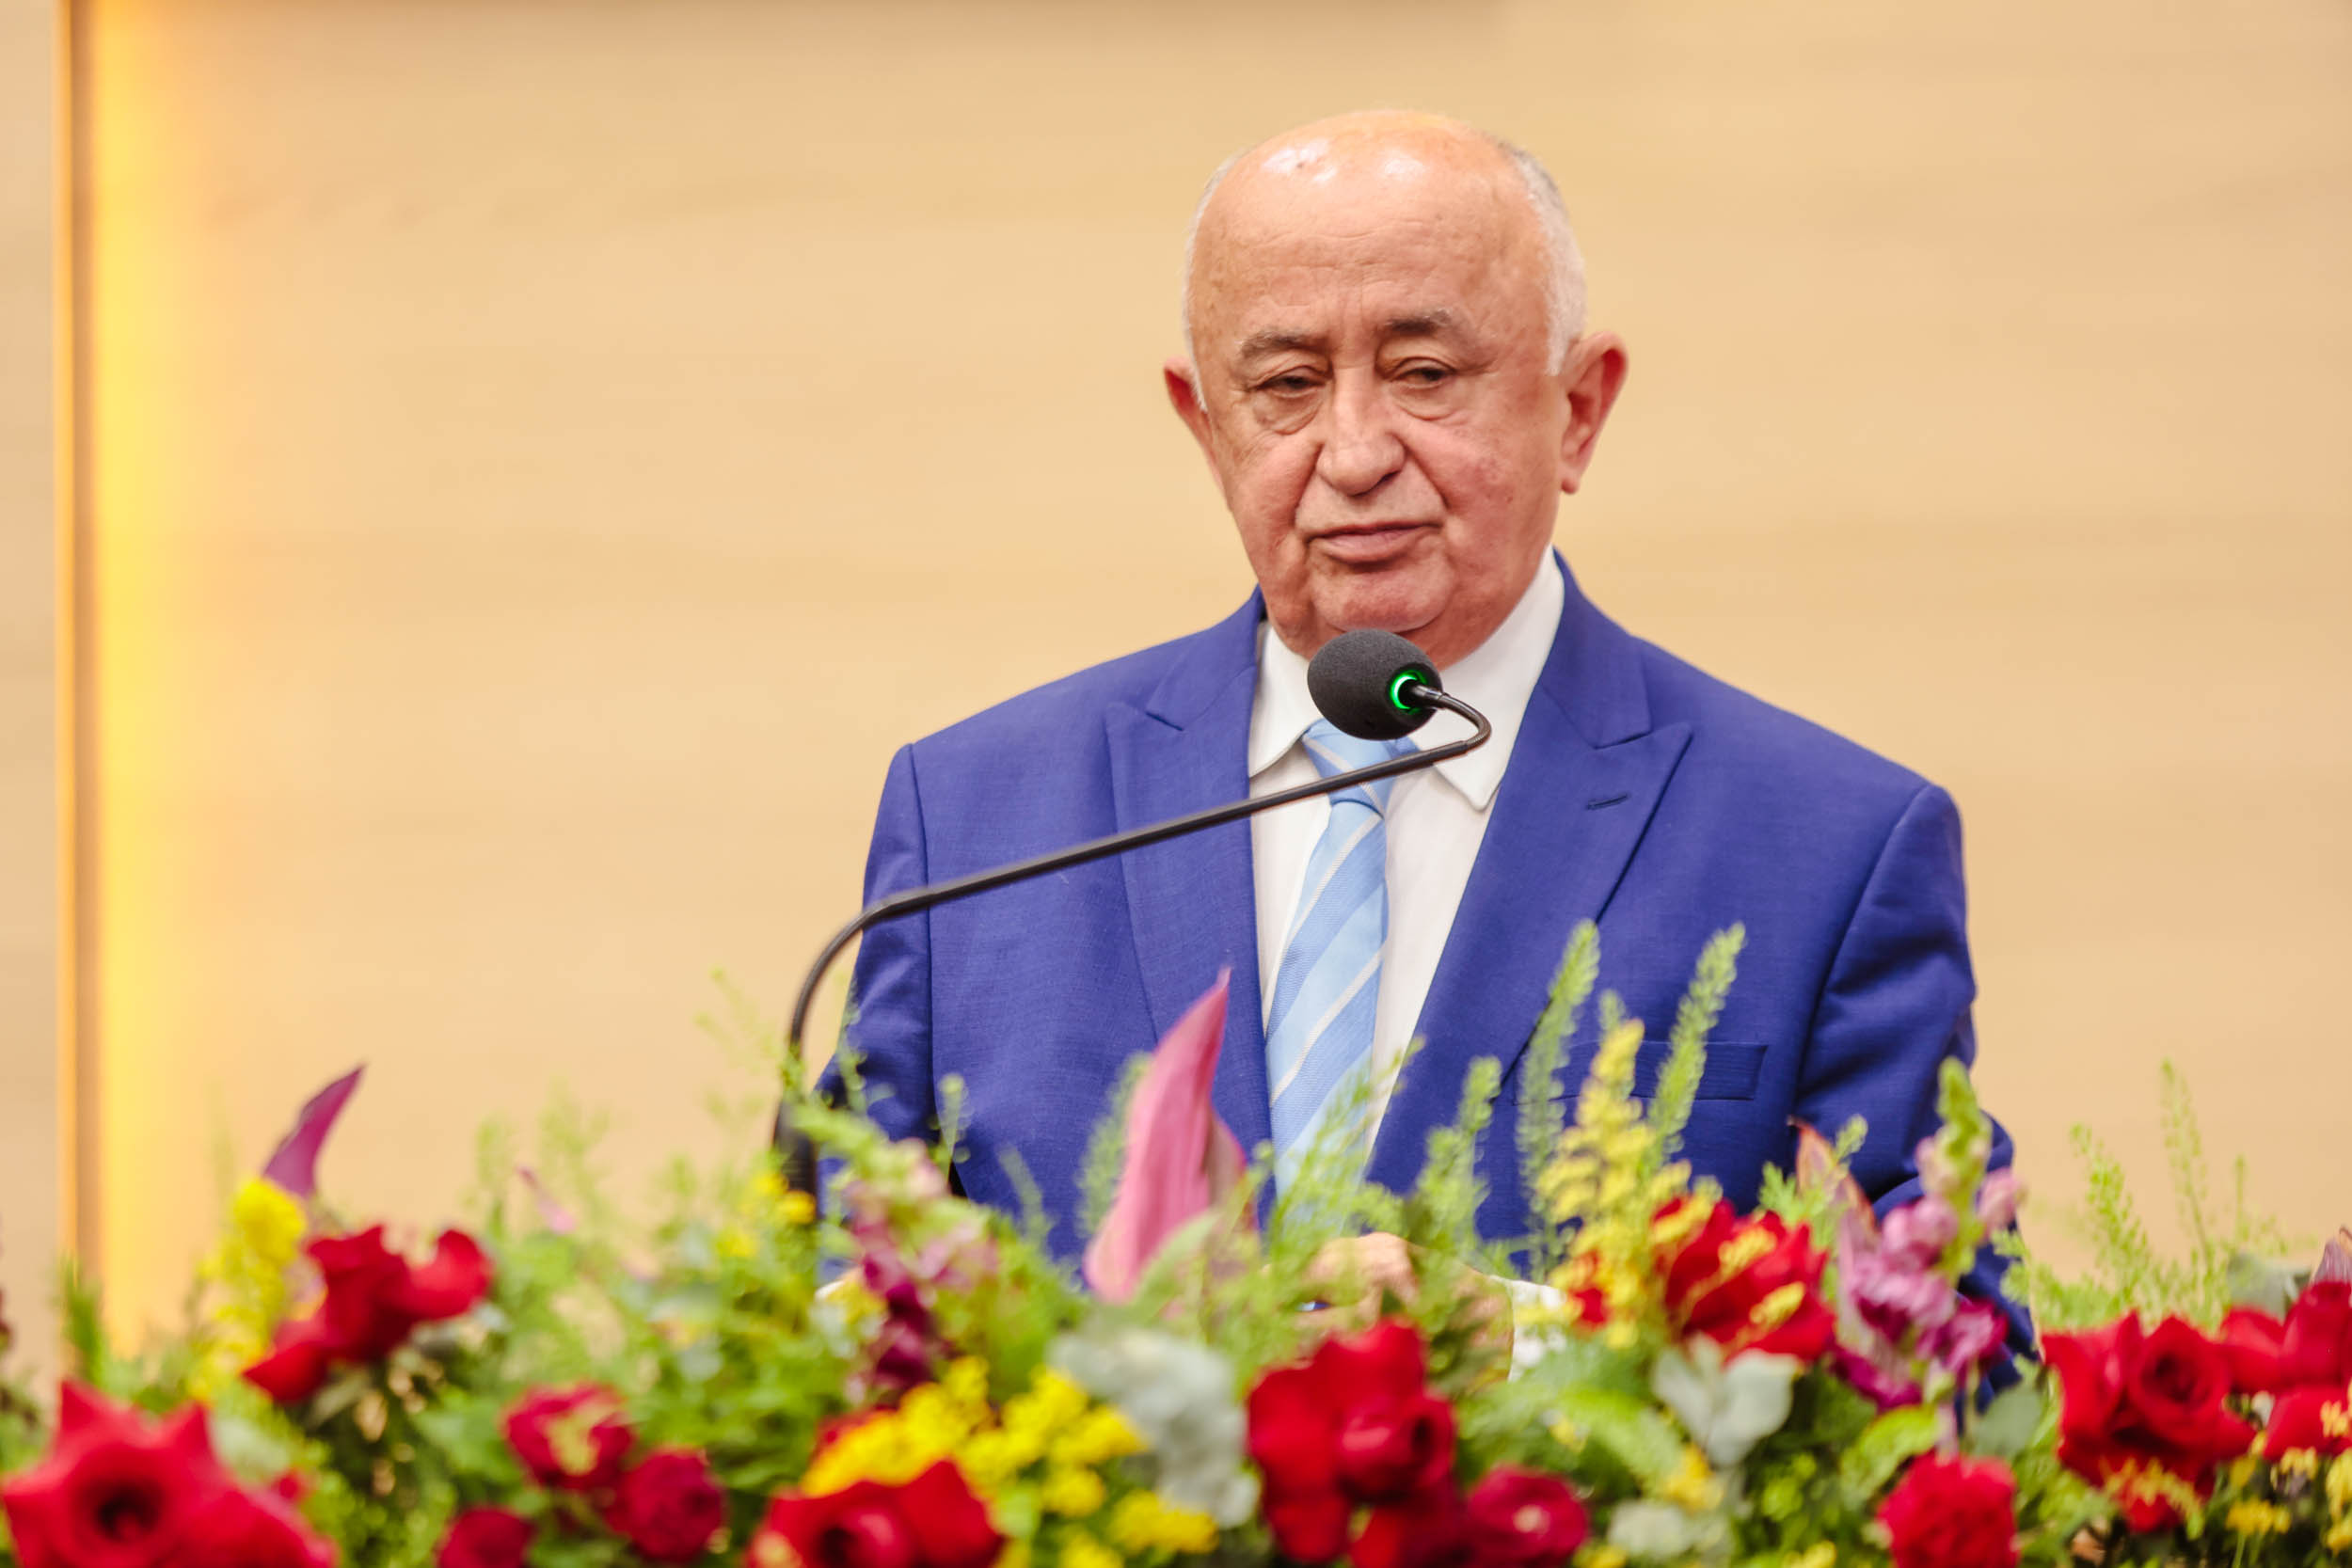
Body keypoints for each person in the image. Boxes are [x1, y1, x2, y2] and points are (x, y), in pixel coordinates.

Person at [830, 110, 2018, 1325]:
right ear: (1207, 427)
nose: (1353, 454)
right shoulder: (979, 823)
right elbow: (816, 1303)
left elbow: (1951, 1362)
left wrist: (1531, 1349)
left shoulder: (1831, 851)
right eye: (1287, 387)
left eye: (1425, 375)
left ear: (1580, 409)